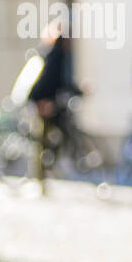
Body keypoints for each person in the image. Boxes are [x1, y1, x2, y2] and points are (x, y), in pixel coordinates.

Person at [26, 18, 85, 188]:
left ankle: (46, 172)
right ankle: (39, 180)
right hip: (43, 103)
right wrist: (42, 102)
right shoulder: (55, 54)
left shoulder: (56, 53)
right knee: (41, 141)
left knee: (56, 135)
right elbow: (49, 82)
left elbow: (63, 82)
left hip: (50, 102)